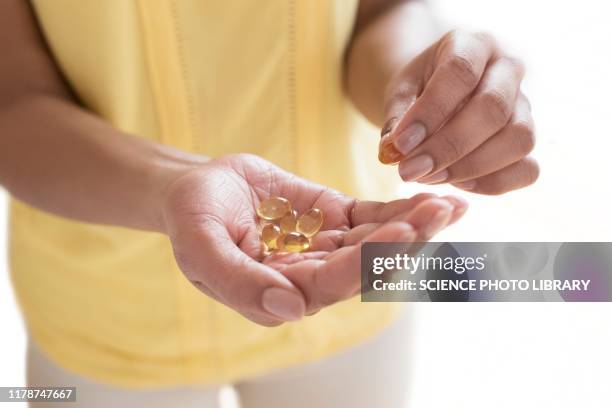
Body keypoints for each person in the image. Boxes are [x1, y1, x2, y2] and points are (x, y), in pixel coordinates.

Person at [0, 0, 538, 406]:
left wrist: (420, 91)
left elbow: (380, 11)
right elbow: (13, 99)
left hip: (351, 285)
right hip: (98, 314)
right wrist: (175, 188)